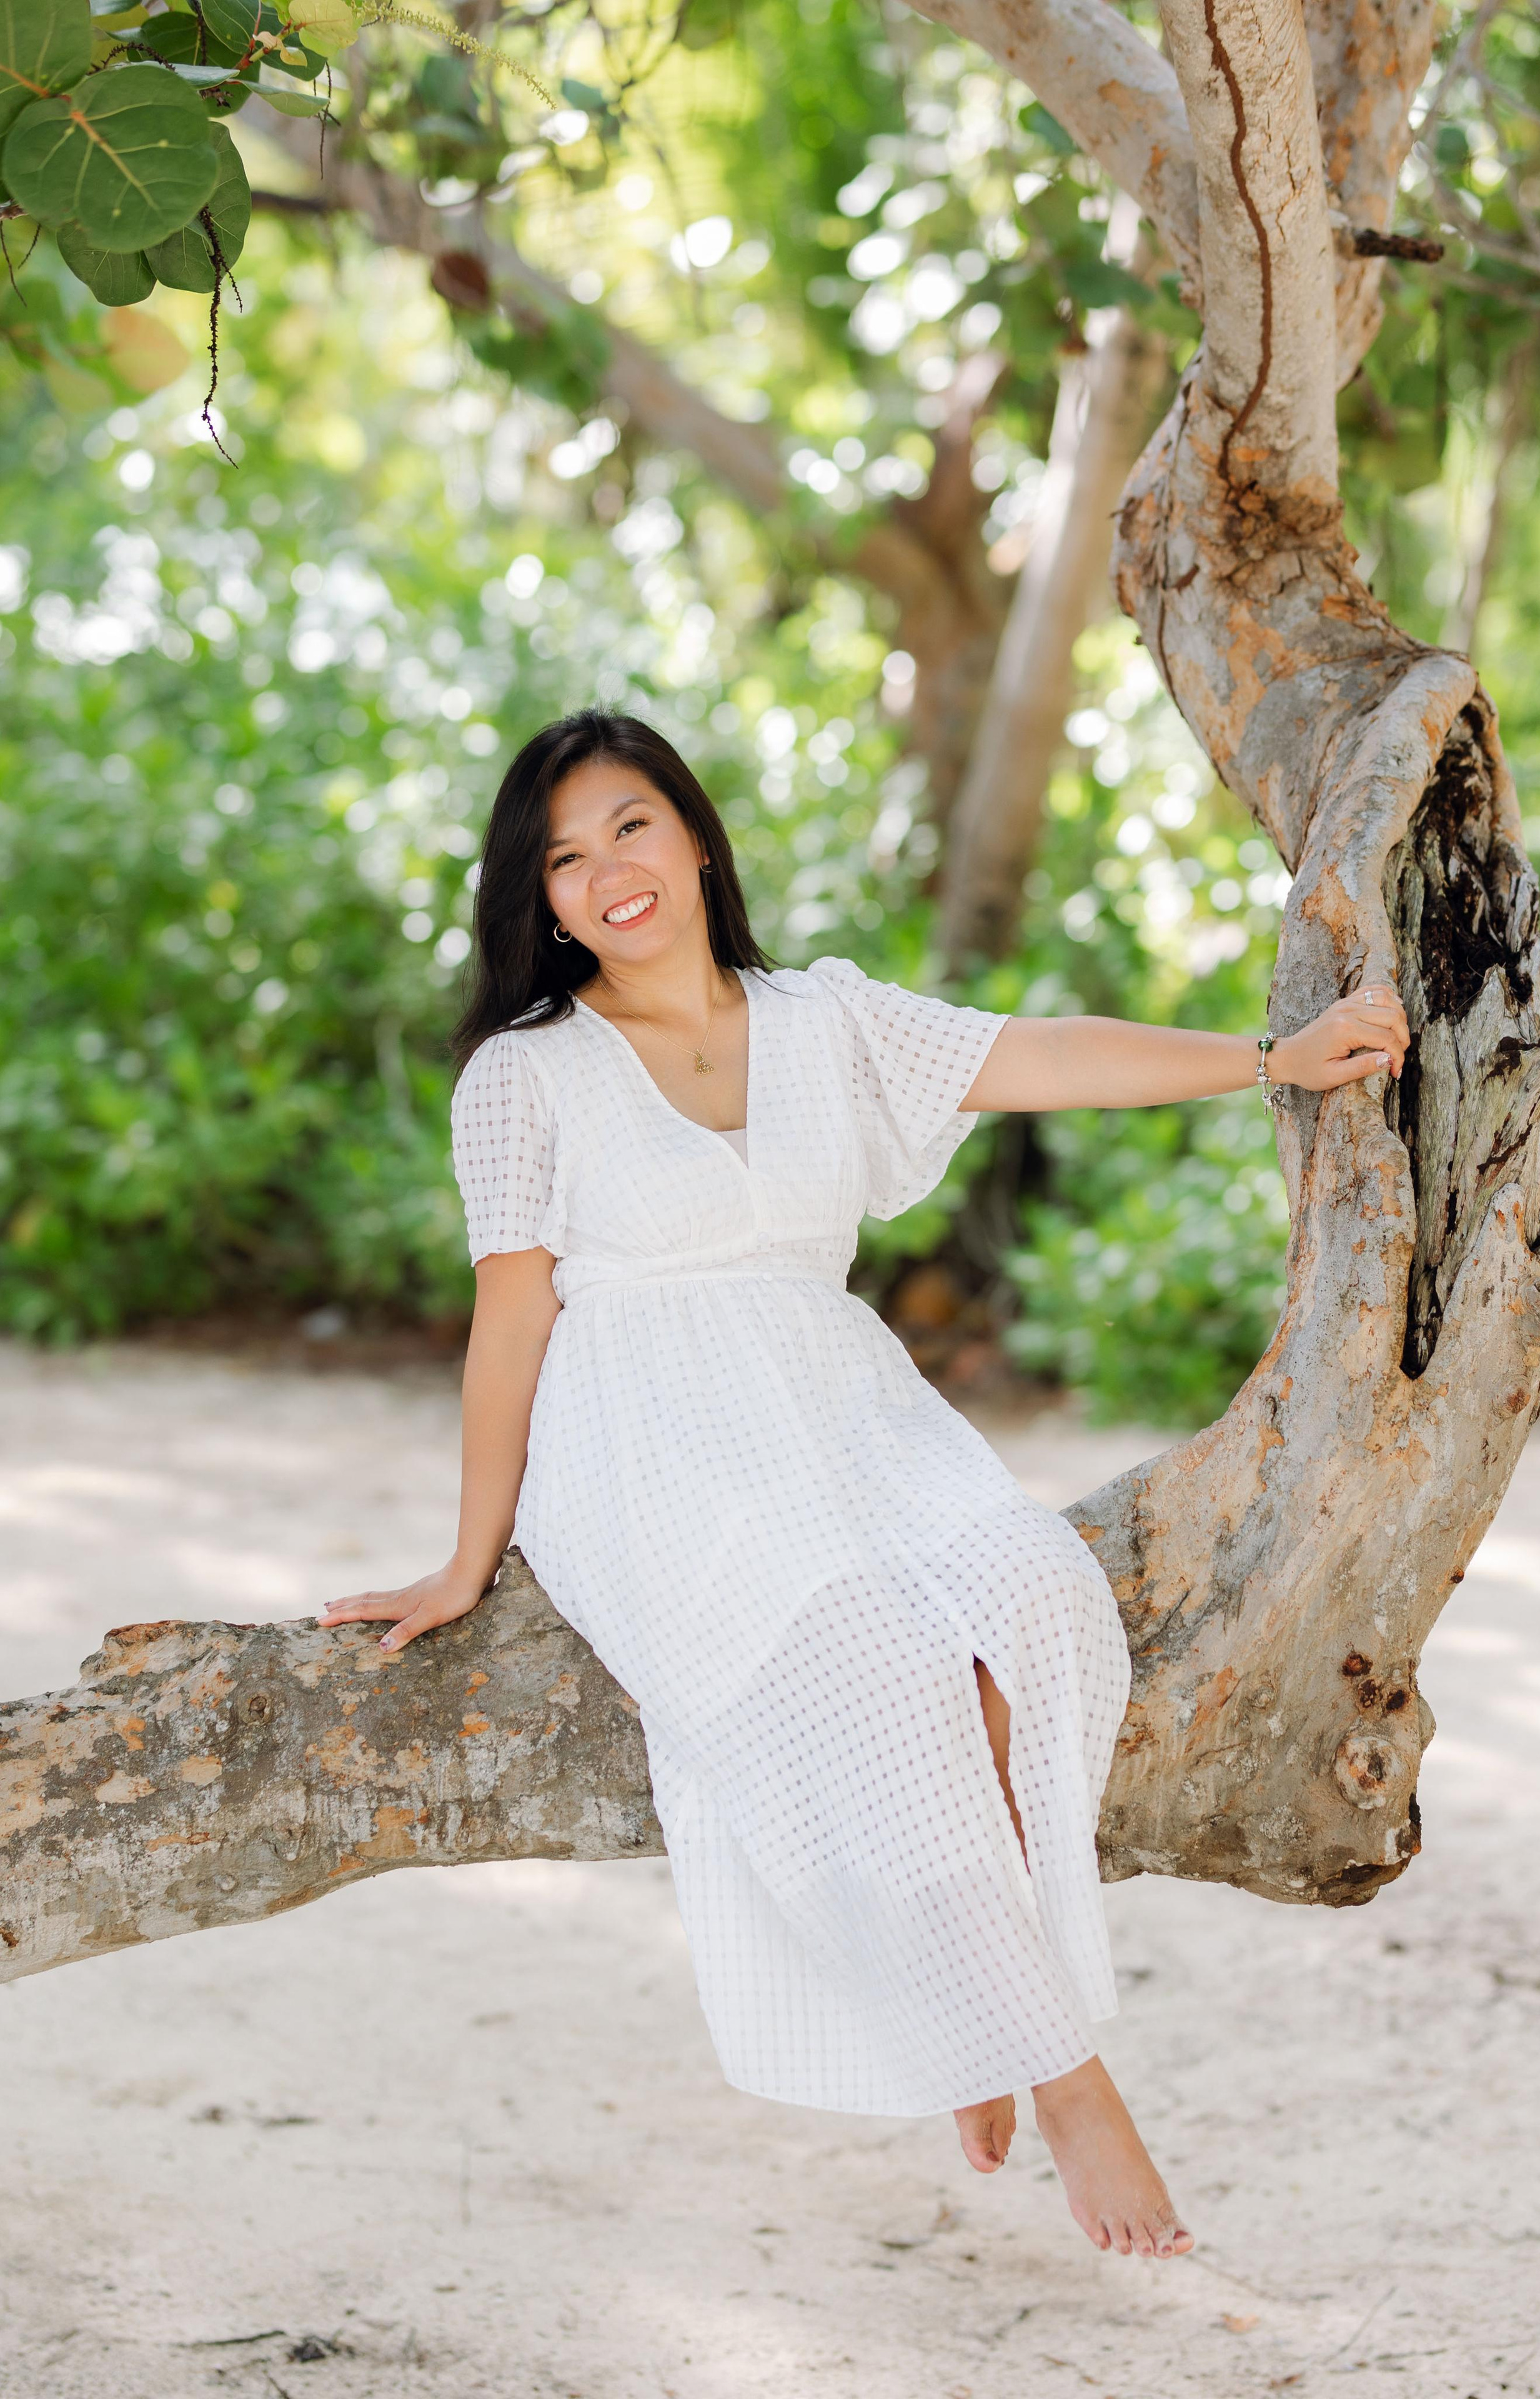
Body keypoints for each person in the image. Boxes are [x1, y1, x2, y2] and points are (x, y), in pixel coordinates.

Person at [319, 709, 1409, 2262]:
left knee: (1031, 1598)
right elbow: (511, 1327)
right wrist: (460, 1557)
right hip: (641, 1438)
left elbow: (1026, 1056)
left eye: (629, 826)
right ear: (540, 904)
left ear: (693, 837)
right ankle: (1062, 2078)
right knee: (872, 1662)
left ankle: (968, 2006)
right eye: (563, 859)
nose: (606, 872)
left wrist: (1270, 1060)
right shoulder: (526, 1077)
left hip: (833, 1402)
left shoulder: (819, 1019)